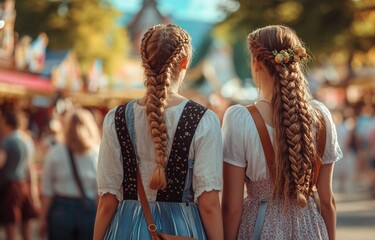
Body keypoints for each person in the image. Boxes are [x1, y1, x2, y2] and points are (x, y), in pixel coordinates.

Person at [93, 24, 223, 240]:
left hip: (125, 228)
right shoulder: (203, 120)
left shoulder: (115, 118)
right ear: (184, 62)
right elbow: (208, 205)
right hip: (181, 229)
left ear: (144, 62)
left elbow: (107, 202)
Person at [222, 25, 342, 240]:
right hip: (310, 228)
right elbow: (327, 201)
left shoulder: (241, 119)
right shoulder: (321, 116)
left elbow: (232, 208)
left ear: (257, 63)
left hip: (259, 227)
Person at [39, 108, 100, 240]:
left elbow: (47, 191)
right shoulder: (97, 154)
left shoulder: (55, 153)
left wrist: (42, 219)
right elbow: (99, 192)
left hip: (60, 210)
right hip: (87, 210)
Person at [0, 110, 39, 240]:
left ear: (7, 123)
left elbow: (1, 161)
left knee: (11, 228)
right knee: (26, 231)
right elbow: (30, 168)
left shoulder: (7, 140)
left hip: (11, 188)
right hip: (24, 186)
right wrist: (33, 193)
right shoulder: (27, 140)